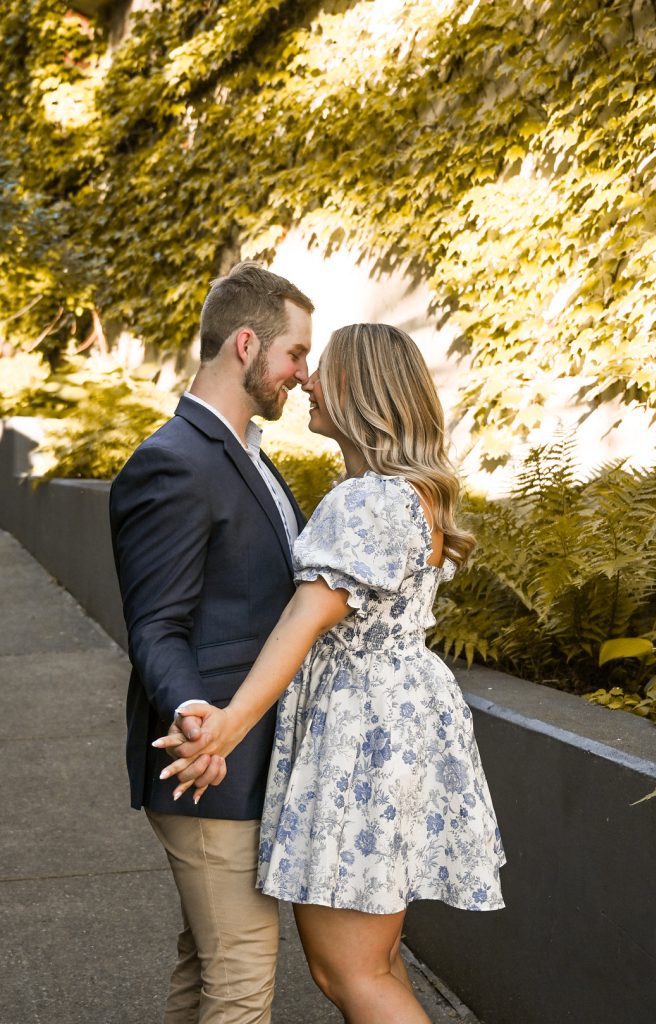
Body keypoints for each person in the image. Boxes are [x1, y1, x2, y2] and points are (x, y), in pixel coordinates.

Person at [158, 323, 506, 1024]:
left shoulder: (369, 499)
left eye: (324, 369)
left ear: (359, 389)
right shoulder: (409, 494)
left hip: (362, 735)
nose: (308, 379)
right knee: (370, 964)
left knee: (349, 971)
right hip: (396, 720)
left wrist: (226, 726)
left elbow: (301, 624)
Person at [109, 261, 314, 1024]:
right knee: (240, 982)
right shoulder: (174, 460)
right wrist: (195, 709)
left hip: (244, 760)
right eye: (295, 354)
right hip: (207, 763)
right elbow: (155, 623)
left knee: (209, 969)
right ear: (246, 345)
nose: (303, 373)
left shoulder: (241, 450)